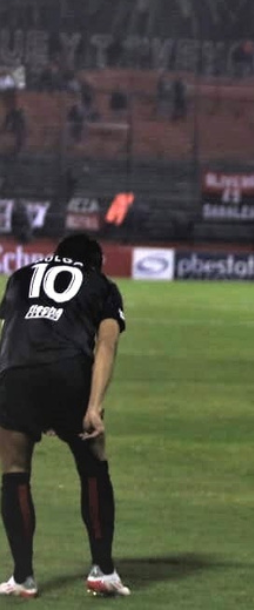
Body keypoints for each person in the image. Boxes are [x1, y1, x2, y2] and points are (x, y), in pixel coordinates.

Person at [0, 234, 130, 597]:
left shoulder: (21, 276)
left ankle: (22, 578)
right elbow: (107, 342)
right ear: (96, 264)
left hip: (14, 373)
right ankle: (103, 571)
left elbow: (10, 330)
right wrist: (93, 405)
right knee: (93, 464)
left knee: (14, 471)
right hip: (68, 371)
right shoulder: (101, 284)